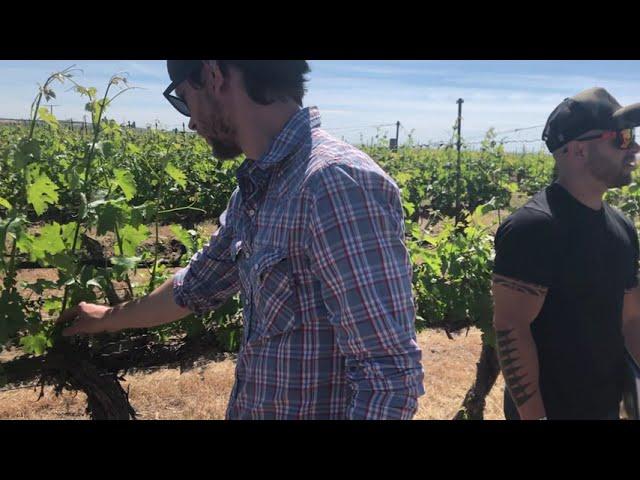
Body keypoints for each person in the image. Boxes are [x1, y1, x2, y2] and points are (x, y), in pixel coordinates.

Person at [60, 60, 425, 420]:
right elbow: (195, 286)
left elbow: (389, 379)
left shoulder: (333, 184)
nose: (189, 121)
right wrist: (108, 317)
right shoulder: (257, 190)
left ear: (213, 74)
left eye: (185, 98)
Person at [492, 87, 640, 420]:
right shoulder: (534, 228)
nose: (634, 148)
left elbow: (631, 318)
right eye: (621, 138)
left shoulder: (623, 227)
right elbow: (512, 328)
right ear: (577, 150)